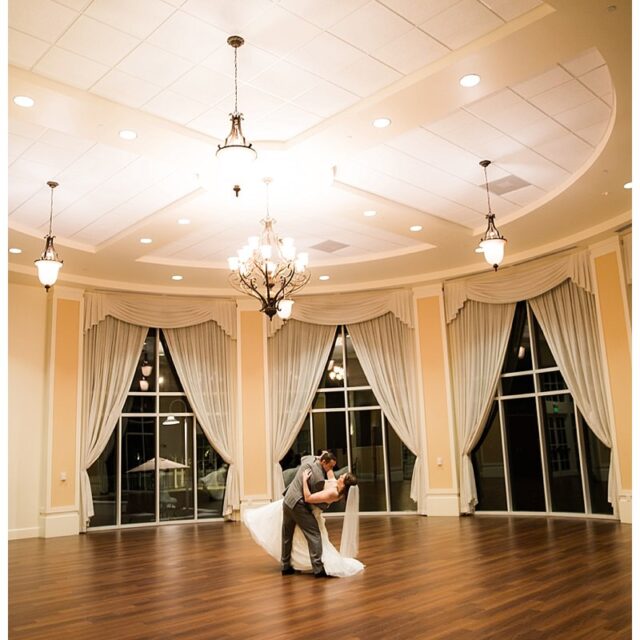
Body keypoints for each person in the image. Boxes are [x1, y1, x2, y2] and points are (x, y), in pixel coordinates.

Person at [244, 453, 364, 578]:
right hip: (296, 505)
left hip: (290, 502)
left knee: (290, 535)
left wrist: (304, 480)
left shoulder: (333, 493)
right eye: (330, 465)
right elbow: (330, 474)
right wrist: (322, 457)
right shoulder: (335, 484)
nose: (339, 474)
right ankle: (317, 568)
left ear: (344, 483)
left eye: (343, 476)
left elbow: (308, 498)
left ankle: (287, 566)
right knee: (313, 535)